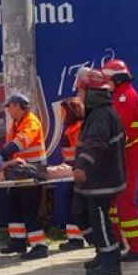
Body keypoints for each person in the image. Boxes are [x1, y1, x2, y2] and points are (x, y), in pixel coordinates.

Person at [70, 69, 127, 275]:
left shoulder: (101, 115)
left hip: (101, 179)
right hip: (95, 179)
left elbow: (95, 143)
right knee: (79, 212)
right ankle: (103, 251)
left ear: (92, 93)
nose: (79, 95)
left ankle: (111, 262)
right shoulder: (97, 113)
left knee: (100, 219)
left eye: (81, 91)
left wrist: (82, 165)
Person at [103, 59, 138, 261]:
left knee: (125, 201)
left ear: (117, 79)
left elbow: (120, 133)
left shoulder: (124, 98)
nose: (106, 84)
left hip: (128, 154)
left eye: (108, 79)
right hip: (127, 154)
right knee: (115, 200)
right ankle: (117, 241)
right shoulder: (123, 95)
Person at [0, 93, 49, 260]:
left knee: (28, 210)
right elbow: (11, 144)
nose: (8, 110)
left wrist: (1, 156)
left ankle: (40, 246)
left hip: (32, 171)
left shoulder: (31, 122)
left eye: (10, 106)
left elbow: (19, 143)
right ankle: (18, 242)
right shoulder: (16, 123)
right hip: (20, 172)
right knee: (13, 207)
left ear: (18, 106)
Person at [58, 96, 88, 249]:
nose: (61, 115)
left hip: (79, 173)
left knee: (75, 206)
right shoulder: (71, 129)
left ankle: (77, 240)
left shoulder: (78, 129)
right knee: (71, 204)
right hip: (72, 172)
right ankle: (75, 238)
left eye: (63, 111)